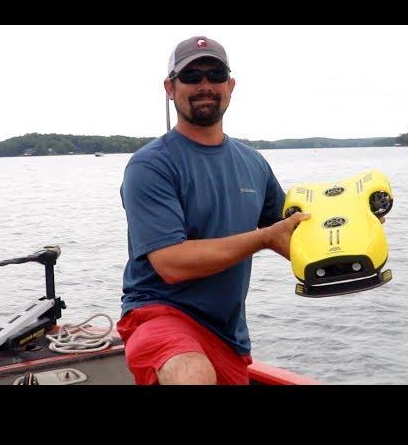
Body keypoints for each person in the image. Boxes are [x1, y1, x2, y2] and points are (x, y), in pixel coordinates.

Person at [117, 36, 310, 385]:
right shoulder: (151, 166)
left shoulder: (253, 163)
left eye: (215, 74)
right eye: (191, 76)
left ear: (230, 85)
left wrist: (347, 231)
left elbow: (292, 235)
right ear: (169, 88)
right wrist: (263, 238)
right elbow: (171, 264)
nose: (205, 85)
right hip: (158, 315)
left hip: (227, 335)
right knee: (192, 373)